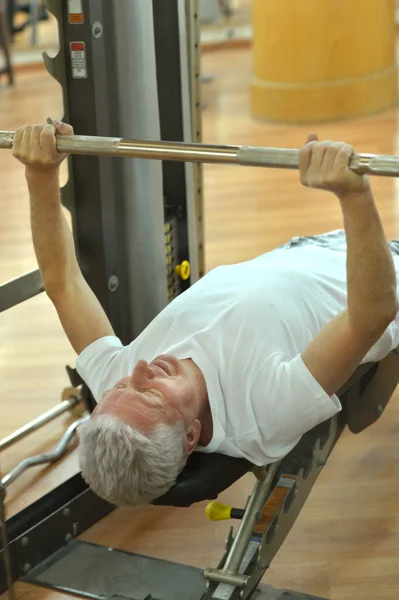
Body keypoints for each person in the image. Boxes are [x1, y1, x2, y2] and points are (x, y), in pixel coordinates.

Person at [12, 121, 399, 507]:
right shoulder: (264, 413)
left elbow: (62, 282)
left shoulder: (119, 396)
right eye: (150, 394)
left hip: (305, 250)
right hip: (383, 274)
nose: (140, 370)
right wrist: (353, 193)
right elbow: (371, 313)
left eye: (120, 387)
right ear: (191, 436)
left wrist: (40, 173)